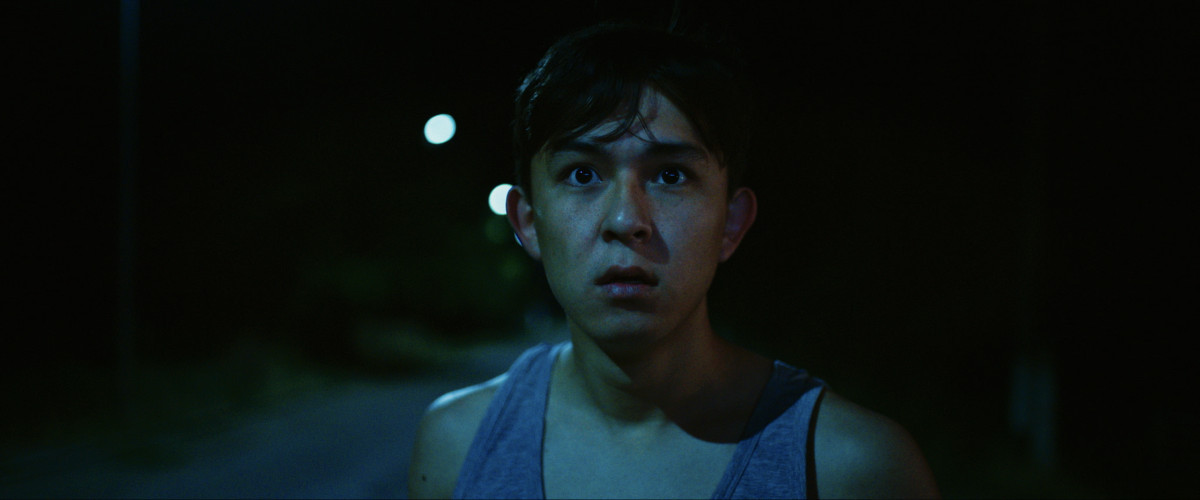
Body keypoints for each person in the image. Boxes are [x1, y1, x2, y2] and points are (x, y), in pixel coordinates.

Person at [408, 23, 939, 499]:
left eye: (669, 176)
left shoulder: (853, 469)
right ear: (527, 222)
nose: (625, 219)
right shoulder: (456, 445)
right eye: (582, 174)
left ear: (731, 223)